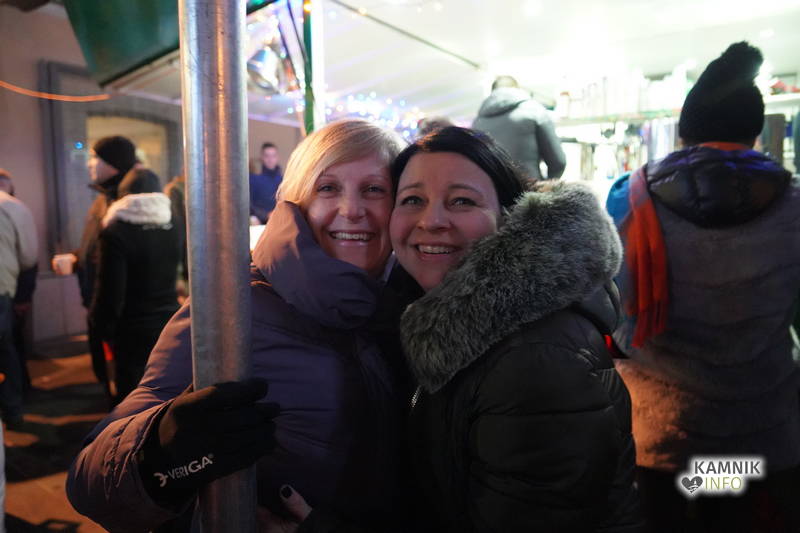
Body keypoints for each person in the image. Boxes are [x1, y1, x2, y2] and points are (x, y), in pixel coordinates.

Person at [279, 127, 642, 532]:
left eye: (462, 201)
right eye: (412, 199)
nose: (432, 221)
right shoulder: (417, 316)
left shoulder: (534, 359)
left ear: (510, 217)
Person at [66, 119, 413, 532]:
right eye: (327, 188)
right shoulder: (235, 308)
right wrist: (159, 453)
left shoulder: (410, 309)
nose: (352, 209)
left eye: (374, 189)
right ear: (298, 200)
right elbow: (88, 483)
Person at [607, 42, 800, 532]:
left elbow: (611, 312)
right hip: (759, 430)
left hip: (658, 434)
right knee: (733, 516)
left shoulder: (628, 198)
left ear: (683, 133)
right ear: (755, 134)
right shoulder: (794, 203)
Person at [51, 136, 138, 389]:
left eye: (95, 158)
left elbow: (124, 258)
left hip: (119, 315)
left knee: (123, 382)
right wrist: (78, 258)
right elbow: (100, 248)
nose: (89, 164)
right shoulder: (103, 199)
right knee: (107, 376)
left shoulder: (127, 203)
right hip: (98, 305)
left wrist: (106, 316)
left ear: (113, 163)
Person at [89, 168, 182, 404]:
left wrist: (101, 326)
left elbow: (111, 291)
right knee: (166, 392)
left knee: (132, 398)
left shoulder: (115, 231)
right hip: (168, 323)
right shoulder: (173, 224)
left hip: (131, 330)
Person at [472, 75, 566, 181]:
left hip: (491, 189)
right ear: (517, 89)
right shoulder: (535, 111)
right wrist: (547, 184)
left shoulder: (477, 121)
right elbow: (558, 162)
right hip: (528, 187)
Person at [0, 169, 38, 429]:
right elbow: (29, 257)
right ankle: (12, 410)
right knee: (5, 349)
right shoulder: (13, 206)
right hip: (2, 290)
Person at [249, 141, 283, 224]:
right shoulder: (253, 179)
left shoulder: (283, 180)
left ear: (277, 157)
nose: (270, 160)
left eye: (273, 156)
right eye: (267, 156)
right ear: (262, 157)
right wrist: (265, 215)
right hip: (260, 222)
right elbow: (249, 204)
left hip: (279, 221)